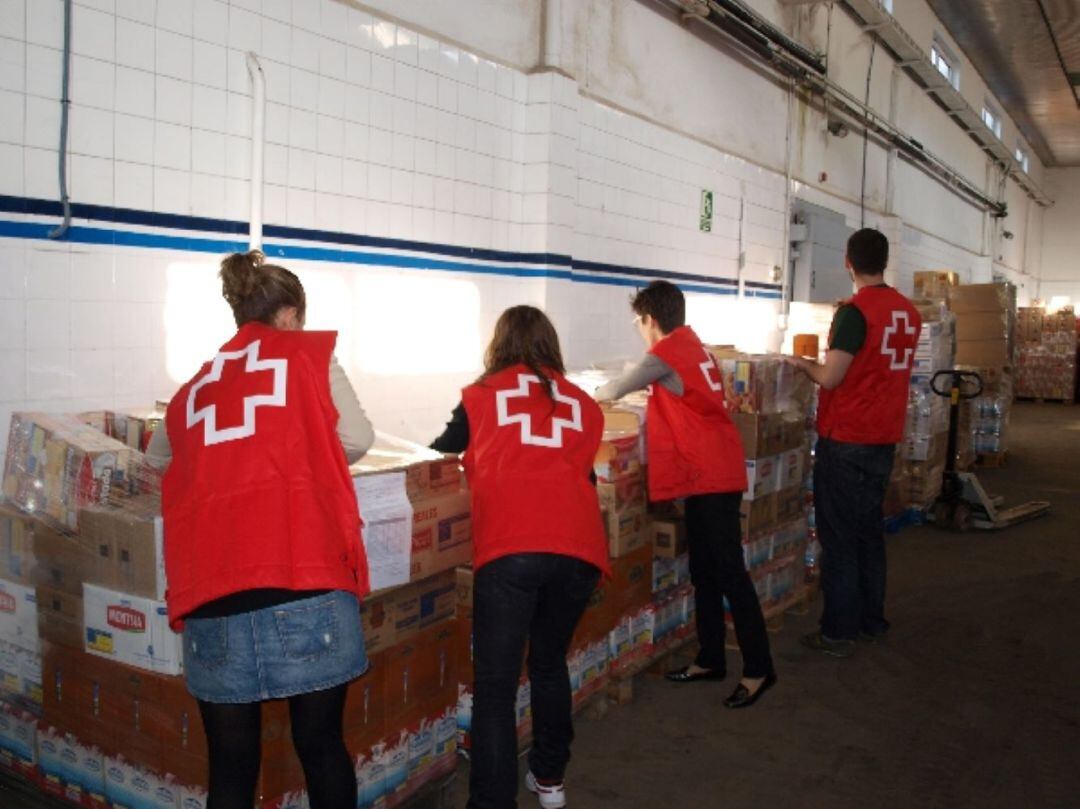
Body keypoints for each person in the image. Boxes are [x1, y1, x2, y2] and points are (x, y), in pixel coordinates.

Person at [148, 250, 375, 809]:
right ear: (293, 315)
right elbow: (358, 440)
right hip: (304, 582)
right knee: (321, 746)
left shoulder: (195, 386)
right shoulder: (310, 357)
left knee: (230, 765)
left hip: (214, 595)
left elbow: (159, 460)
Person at [431, 305, 610, 809]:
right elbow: (582, 477)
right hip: (578, 550)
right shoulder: (583, 405)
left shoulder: (481, 396)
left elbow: (438, 455)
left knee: (496, 686)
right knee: (549, 662)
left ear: (499, 344)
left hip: (512, 547)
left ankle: (492, 802)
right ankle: (550, 779)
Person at [595, 281, 776, 709]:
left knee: (729, 572)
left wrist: (572, 397)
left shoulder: (666, 353)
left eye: (638, 322)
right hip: (706, 472)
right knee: (704, 571)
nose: (639, 330)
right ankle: (710, 657)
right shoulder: (695, 347)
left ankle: (759, 669)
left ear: (649, 320)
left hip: (711, 475)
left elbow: (613, 390)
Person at [788, 228, 921, 658]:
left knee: (840, 538)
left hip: (847, 439)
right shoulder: (907, 311)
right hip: (883, 438)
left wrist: (801, 363)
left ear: (848, 262)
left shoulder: (854, 313)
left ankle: (838, 630)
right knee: (869, 532)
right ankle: (871, 620)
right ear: (884, 262)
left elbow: (832, 377)